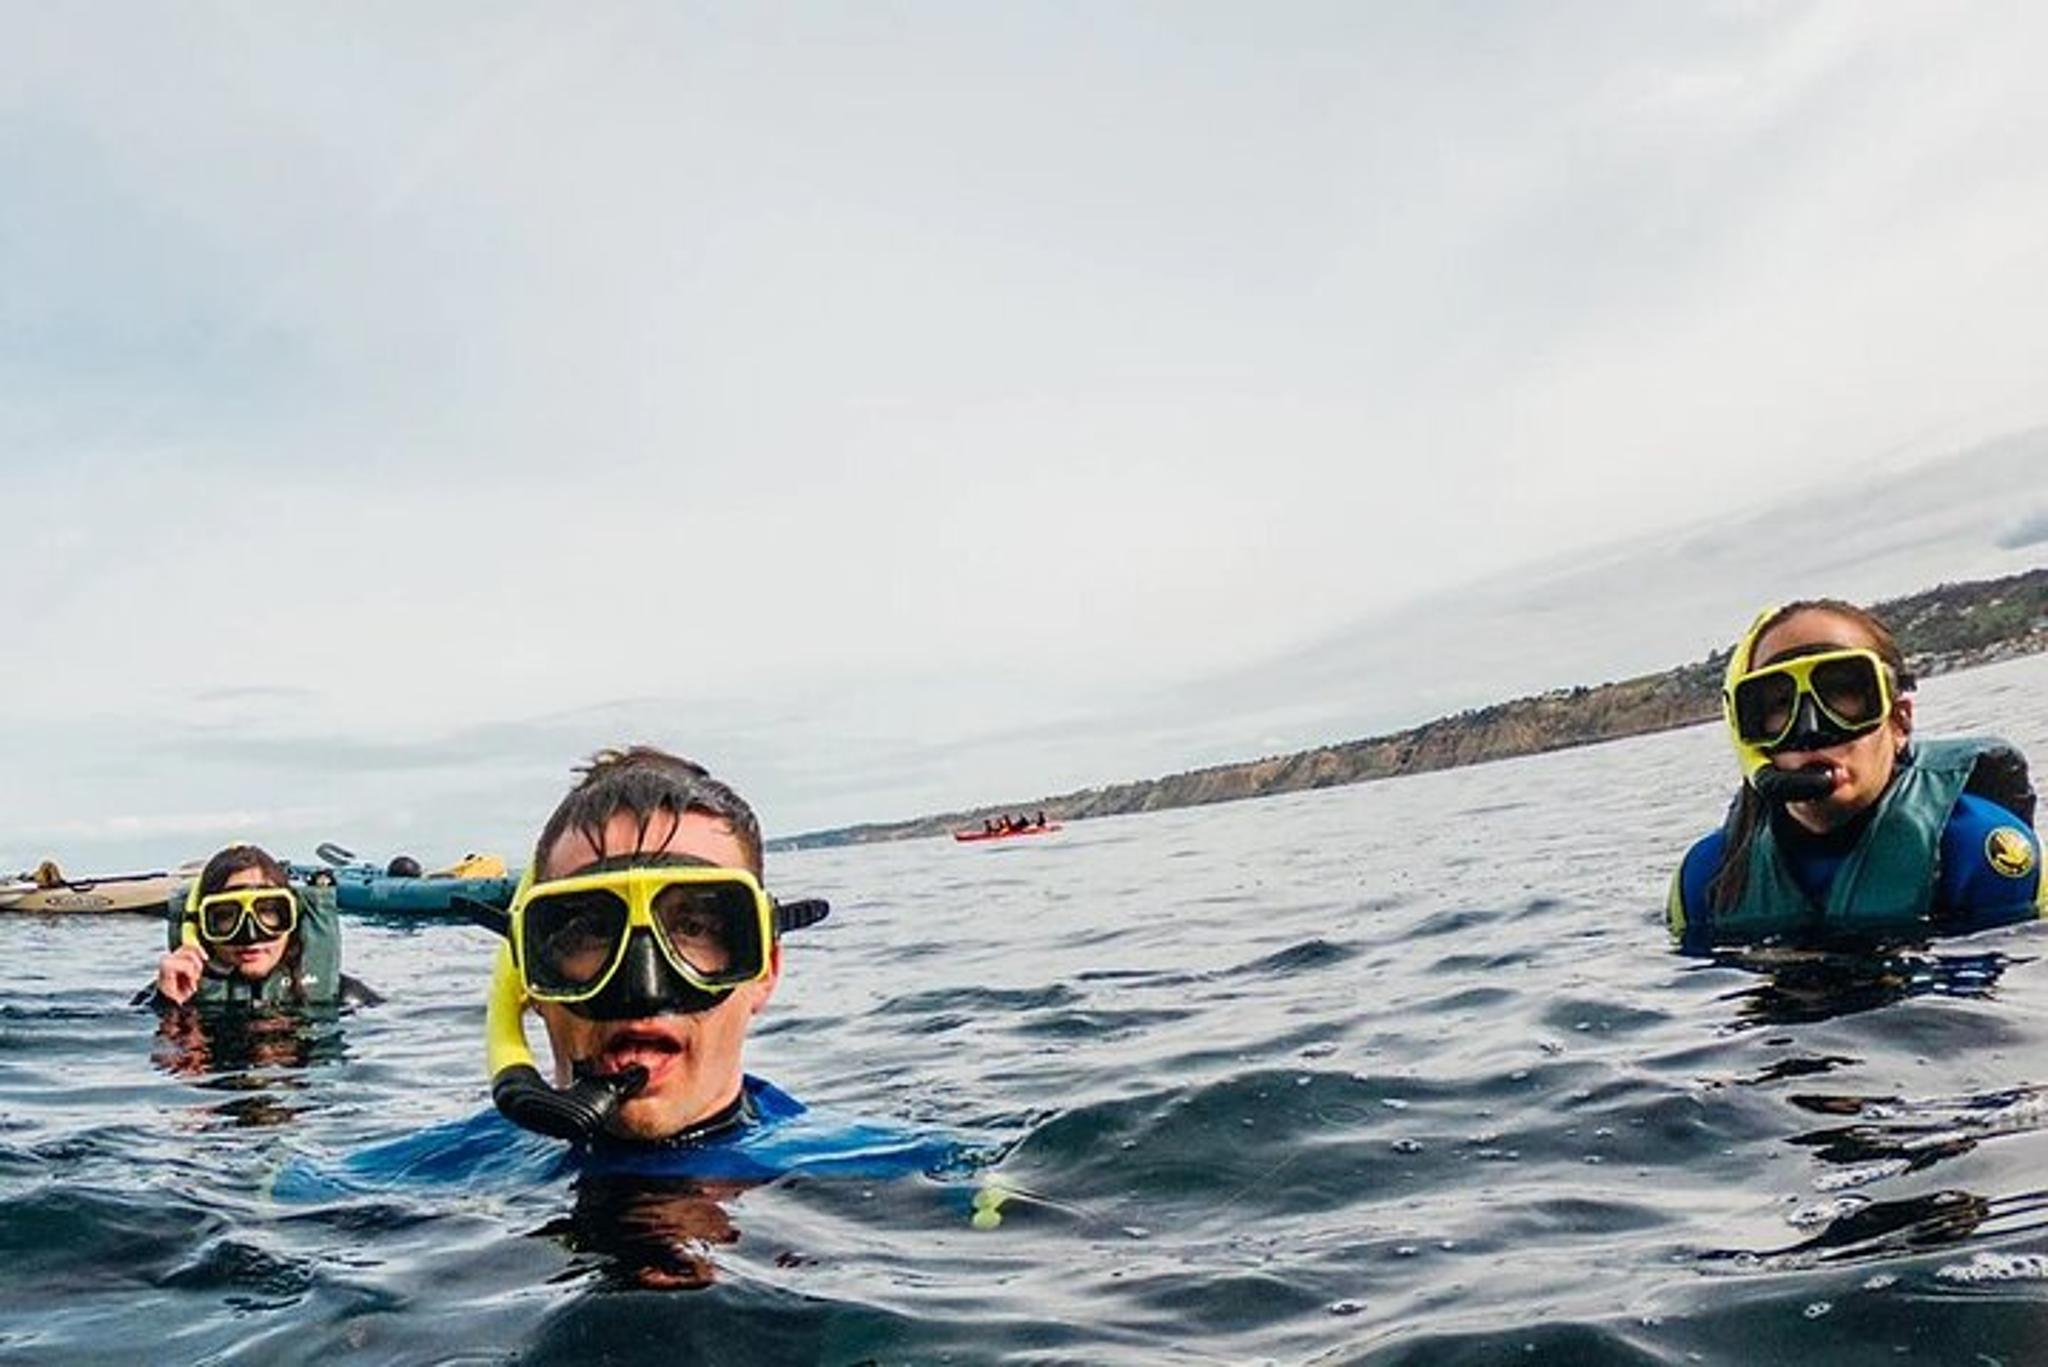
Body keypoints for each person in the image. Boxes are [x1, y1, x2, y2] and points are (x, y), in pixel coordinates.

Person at [1669, 600, 2044, 952]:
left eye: (1843, 693)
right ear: (1750, 741)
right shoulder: (1705, 880)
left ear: (1899, 722)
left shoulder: (1977, 852)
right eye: (1778, 704)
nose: (1811, 730)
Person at [145, 844, 381, 1009]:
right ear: (200, 928)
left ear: (293, 918)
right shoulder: (166, 995)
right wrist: (168, 1007)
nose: (250, 935)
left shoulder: (347, 997)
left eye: (268, 911)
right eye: (227, 916)